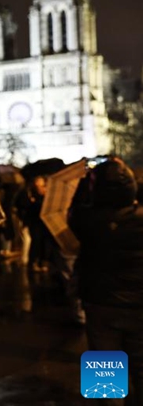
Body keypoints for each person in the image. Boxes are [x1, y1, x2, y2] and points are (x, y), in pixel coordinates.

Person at [70, 158, 143, 405]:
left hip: (100, 304)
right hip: (139, 306)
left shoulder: (87, 221)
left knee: (105, 378)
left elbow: (76, 210)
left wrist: (85, 185)